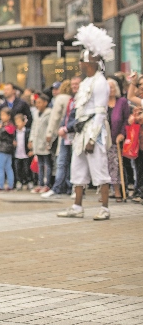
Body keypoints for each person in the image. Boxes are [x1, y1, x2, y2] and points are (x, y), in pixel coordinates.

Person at [58, 24, 113, 221]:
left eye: (82, 60)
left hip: (93, 132)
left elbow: (100, 113)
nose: (80, 63)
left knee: (99, 169)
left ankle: (105, 208)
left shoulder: (100, 82)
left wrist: (92, 138)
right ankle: (77, 206)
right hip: (81, 131)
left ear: (90, 62)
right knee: (77, 169)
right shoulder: (84, 82)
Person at [43, 78, 78, 199]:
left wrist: (50, 133)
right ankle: (70, 188)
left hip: (67, 132)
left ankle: (60, 187)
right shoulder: (71, 99)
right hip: (67, 132)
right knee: (69, 162)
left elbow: (55, 117)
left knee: (63, 162)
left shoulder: (62, 99)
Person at [106, 79, 128, 202]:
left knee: (115, 165)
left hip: (116, 139)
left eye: (113, 87)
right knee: (104, 165)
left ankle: (118, 190)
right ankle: (105, 190)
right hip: (103, 139)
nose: (111, 90)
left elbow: (125, 119)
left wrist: (122, 134)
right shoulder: (102, 103)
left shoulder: (122, 102)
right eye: (109, 87)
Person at [30, 94, 52, 193]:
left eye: (39, 102)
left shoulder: (49, 113)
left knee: (47, 164)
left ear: (45, 103)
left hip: (45, 143)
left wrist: (49, 141)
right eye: (36, 102)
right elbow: (33, 127)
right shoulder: (35, 113)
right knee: (40, 164)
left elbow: (50, 128)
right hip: (37, 143)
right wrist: (31, 140)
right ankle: (40, 183)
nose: (37, 105)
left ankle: (47, 184)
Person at [0, 107, 15, 192]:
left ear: (9, 116)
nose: (2, 117)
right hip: (8, 149)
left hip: (3, 149)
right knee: (8, 167)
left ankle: (1, 185)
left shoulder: (8, 126)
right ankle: (10, 184)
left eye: (4, 115)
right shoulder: (10, 126)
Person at [12, 113, 32, 190]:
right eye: (16, 122)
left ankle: (29, 181)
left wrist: (31, 150)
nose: (17, 124)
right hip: (17, 154)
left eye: (19, 121)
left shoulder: (27, 132)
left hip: (25, 154)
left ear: (24, 122)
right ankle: (19, 182)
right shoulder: (15, 132)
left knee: (27, 169)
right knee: (18, 169)